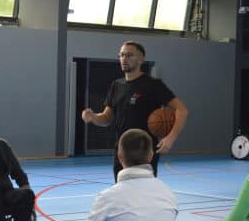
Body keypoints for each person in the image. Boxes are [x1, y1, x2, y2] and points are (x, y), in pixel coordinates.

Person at [81, 41, 189, 179]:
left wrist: (170, 138)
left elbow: (182, 110)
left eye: (129, 55)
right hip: (122, 150)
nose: (124, 59)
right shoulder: (116, 85)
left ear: (141, 59)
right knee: (122, 190)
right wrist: (93, 117)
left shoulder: (153, 85)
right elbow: (107, 118)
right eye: (122, 55)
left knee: (144, 192)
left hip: (145, 150)